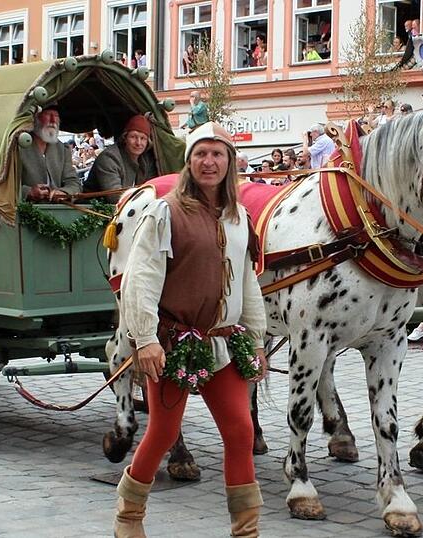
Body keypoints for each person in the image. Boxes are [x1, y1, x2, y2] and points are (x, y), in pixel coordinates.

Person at [113, 121, 266, 538]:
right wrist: (144, 339)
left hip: (221, 342)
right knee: (162, 433)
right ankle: (128, 516)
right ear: (189, 162)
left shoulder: (239, 217)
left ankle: (246, 531)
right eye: (201, 153)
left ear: (230, 162)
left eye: (218, 154)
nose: (209, 161)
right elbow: (139, 279)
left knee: (240, 431)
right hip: (173, 343)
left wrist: (254, 339)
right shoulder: (165, 213)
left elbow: (247, 282)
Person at [84, 114, 156, 201]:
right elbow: (116, 197)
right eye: (133, 137)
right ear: (125, 138)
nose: (138, 143)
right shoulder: (109, 158)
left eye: (143, 138)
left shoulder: (146, 161)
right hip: (92, 209)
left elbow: (151, 189)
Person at [20, 107, 81, 203]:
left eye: (56, 116)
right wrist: (27, 192)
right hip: (26, 211)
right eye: (48, 115)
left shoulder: (62, 149)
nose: (53, 121)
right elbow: (5, 186)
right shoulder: (20, 146)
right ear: (36, 118)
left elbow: (74, 182)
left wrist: (64, 193)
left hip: (57, 211)